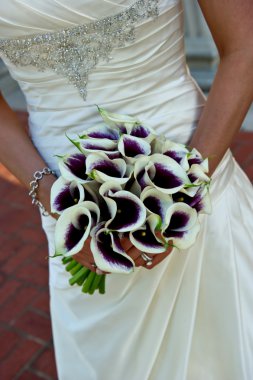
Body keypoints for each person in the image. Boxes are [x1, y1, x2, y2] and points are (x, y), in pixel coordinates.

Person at [0, 0, 253, 379]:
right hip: (70, 216)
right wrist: (51, 195)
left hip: (197, 184)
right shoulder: (61, 206)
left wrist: (185, 190)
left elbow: (245, 45)